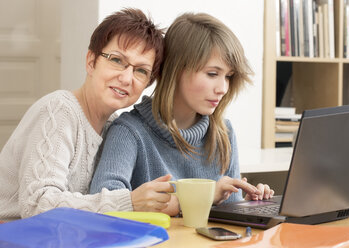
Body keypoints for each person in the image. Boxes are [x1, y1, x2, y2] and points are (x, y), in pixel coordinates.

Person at [90, 12, 274, 216]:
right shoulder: (129, 132)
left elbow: (225, 214)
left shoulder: (224, 133)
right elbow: (105, 201)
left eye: (228, 77)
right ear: (176, 70)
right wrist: (204, 196)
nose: (222, 88)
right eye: (212, 74)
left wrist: (248, 204)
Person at [0, 8, 165, 221]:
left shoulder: (116, 128)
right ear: (91, 61)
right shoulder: (59, 110)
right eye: (116, 60)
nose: (126, 78)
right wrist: (129, 202)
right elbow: (38, 205)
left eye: (141, 71)